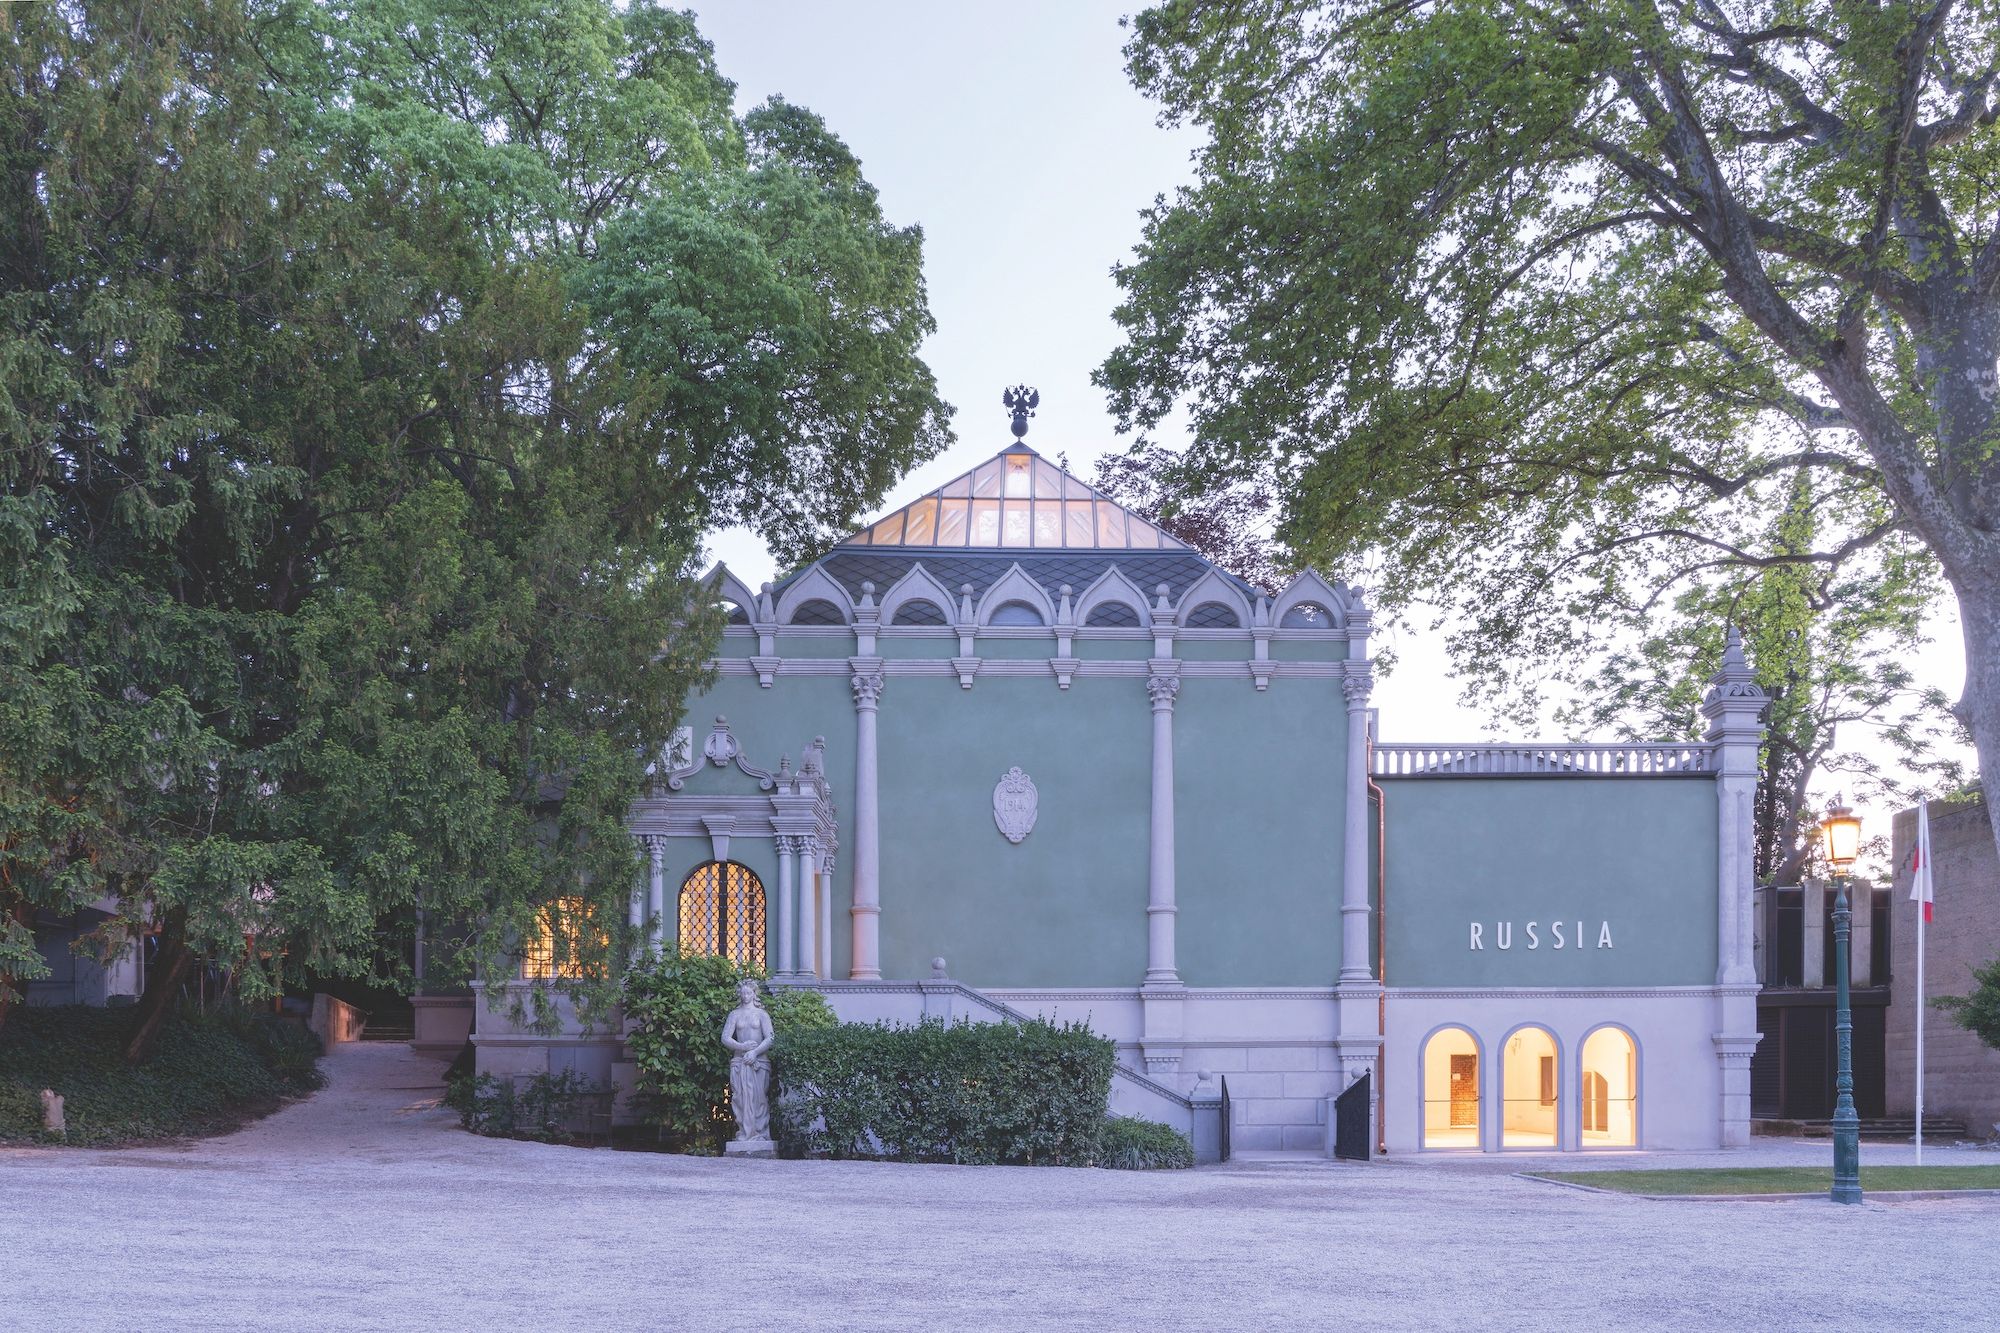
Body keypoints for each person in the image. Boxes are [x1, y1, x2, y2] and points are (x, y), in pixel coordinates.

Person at [721, 978, 775, 1143]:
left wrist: (755, 1052)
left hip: (759, 1063)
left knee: (759, 1099)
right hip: (739, 1061)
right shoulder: (735, 1014)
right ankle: (744, 1132)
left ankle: (761, 1133)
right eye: (743, 993)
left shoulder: (762, 1014)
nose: (745, 996)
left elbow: (770, 1038)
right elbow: (725, 1038)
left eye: (748, 993)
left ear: (754, 994)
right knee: (740, 1098)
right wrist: (742, 1047)